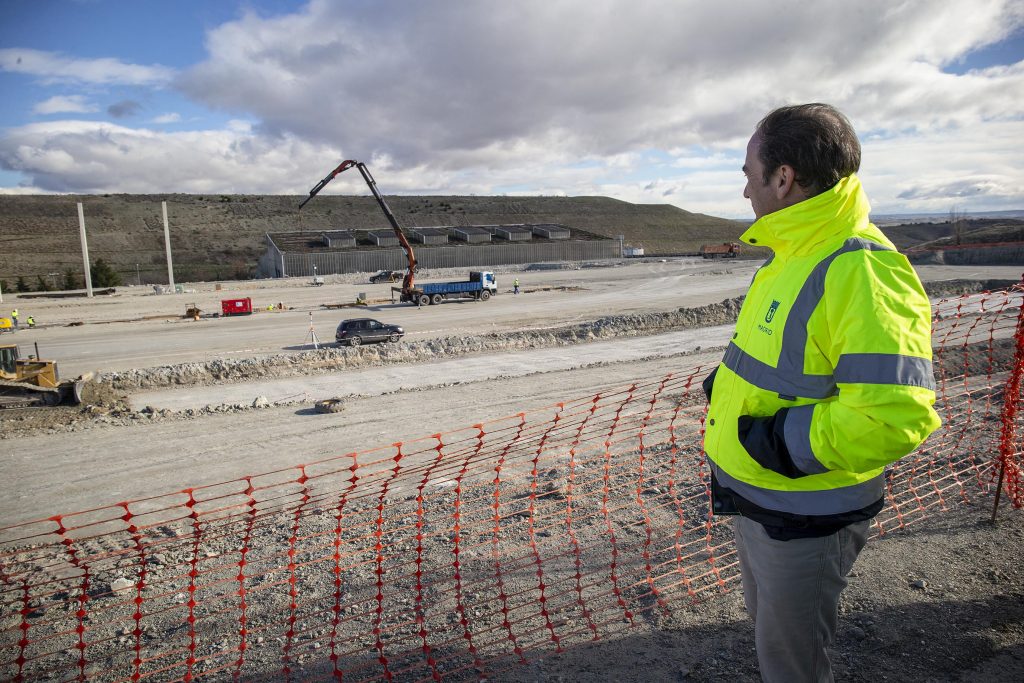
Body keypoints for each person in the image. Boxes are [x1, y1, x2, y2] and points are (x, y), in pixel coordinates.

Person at [702, 103, 941, 682]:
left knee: (793, 666)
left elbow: (892, 416)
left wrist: (779, 442)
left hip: (803, 512)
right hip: (761, 497)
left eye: (747, 174)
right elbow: (787, 364)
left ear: (783, 178)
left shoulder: (860, 269)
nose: (743, 192)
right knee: (774, 644)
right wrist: (729, 389)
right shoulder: (793, 256)